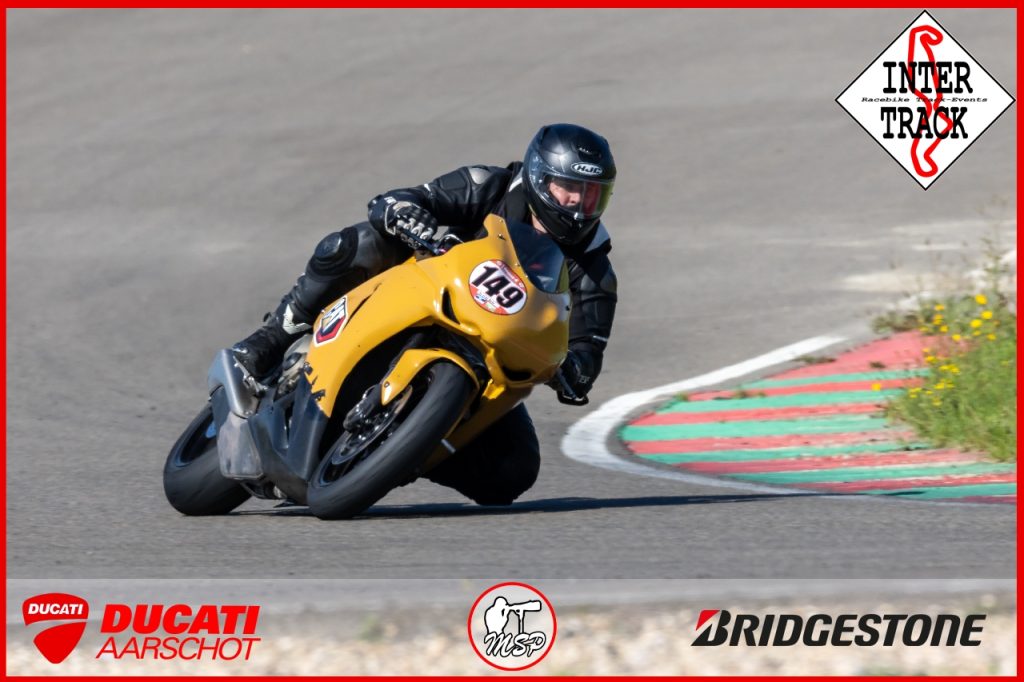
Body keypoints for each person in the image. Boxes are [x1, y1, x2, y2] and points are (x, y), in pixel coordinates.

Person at [231, 123, 618, 505]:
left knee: (514, 471)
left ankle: (402, 452)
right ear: (538, 179)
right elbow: (396, 201)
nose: (578, 204)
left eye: (592, 195)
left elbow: (588, 354)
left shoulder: (595, 271)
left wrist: (574, 370)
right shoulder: (489, 185)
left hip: (488, 363)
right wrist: (406, 215)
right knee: (360, 243)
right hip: (421, 294)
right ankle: (273, 337)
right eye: (569, 188)